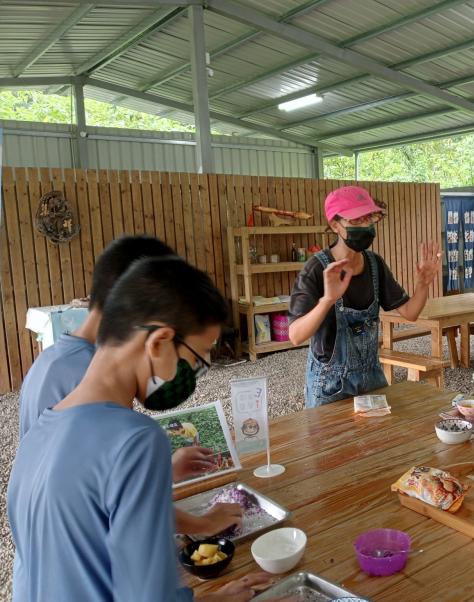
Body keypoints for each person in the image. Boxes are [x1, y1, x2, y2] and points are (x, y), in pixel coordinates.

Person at [8, 257, 270, 602]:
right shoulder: (136, 440)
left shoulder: (40, 430)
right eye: (197, 360)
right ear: (159, 342)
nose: (193, 375)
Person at [15, 235, 240, 537]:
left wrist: (164, 471)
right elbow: (103, 506)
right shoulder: (81, 376)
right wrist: (202, 524)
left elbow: (91, 478)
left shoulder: (62, 360)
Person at [288, 185, 441, 408]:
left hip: (372, 379)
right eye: (356, 221)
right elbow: (295, 335)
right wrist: (328, 300)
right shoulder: (316, 269)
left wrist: (423, 284)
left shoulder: (374, 264)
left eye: (368, 219)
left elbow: (410, 313)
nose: (365, 227)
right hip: (330, 386)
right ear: (335, 225)